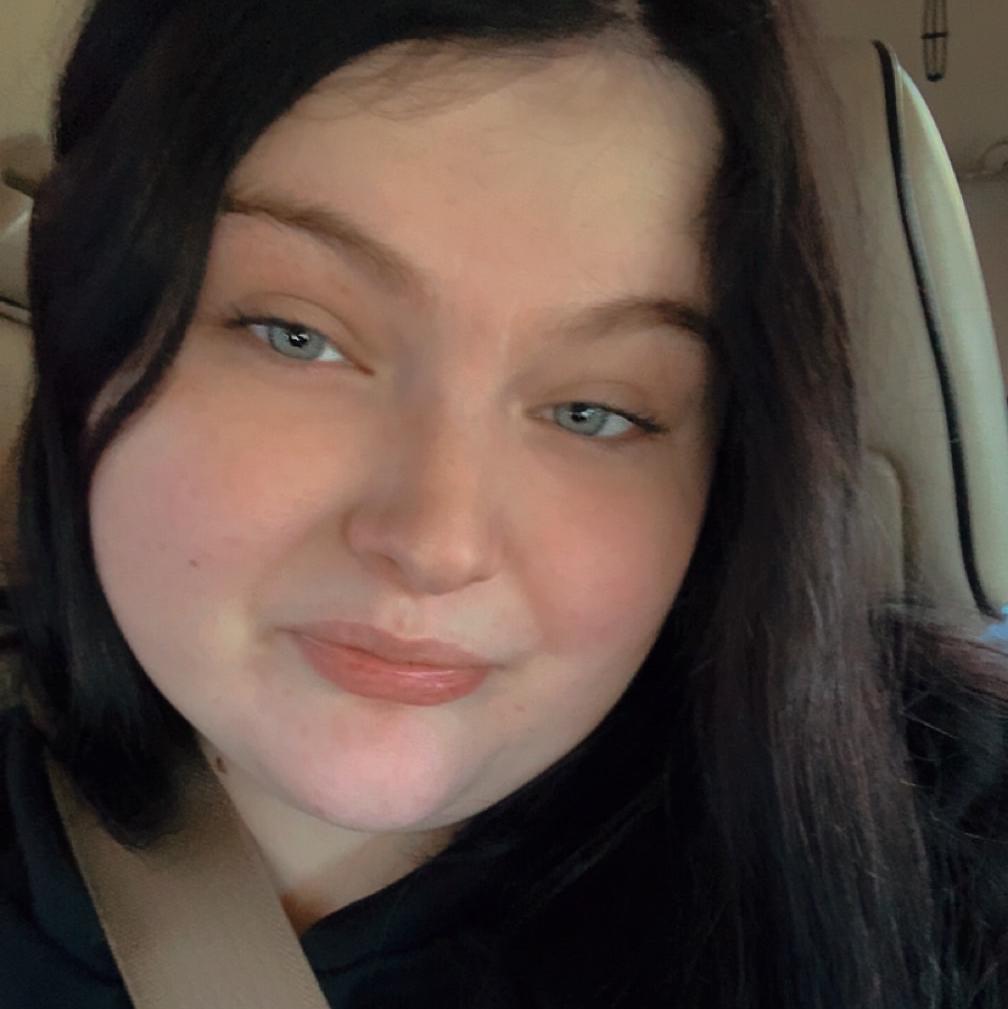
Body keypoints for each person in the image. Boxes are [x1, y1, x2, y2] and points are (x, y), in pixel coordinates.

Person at [1, 0, 1007, 1006]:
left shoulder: (950, 857)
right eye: (296, 336)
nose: (436, 543)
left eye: (594, 411)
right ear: (88, 327)